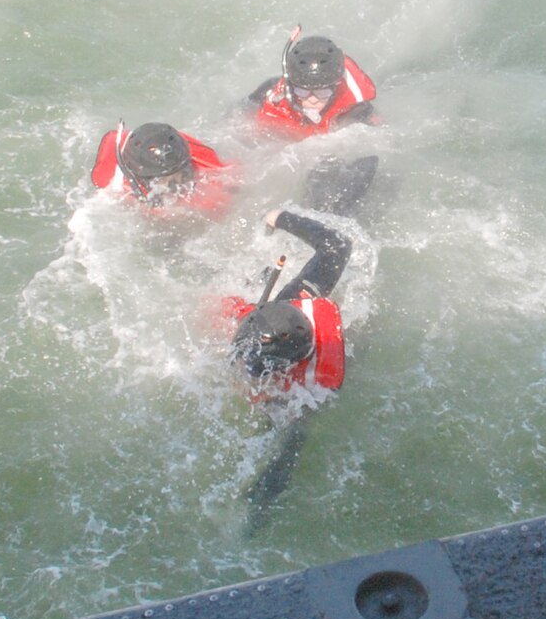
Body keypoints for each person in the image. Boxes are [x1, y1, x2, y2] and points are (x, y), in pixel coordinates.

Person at [224, 208, 349, 398]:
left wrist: (281, 218)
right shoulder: (241, 323)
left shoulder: (314, 378)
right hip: (267, 317)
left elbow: (338, 245)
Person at [246, 27, 377, 138]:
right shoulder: (269, 92)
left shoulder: (355, 111)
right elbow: (236, 119)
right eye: (302, 92)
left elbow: (379, 136)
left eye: (322, 93)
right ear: (291, 87)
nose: (312, 100)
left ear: (336, 88)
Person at [89, 121, 235, 218]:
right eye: (165, 180)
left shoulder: (198, 156)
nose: (177, 185)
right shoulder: (113, 182)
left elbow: (232, 177)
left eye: (183, 175)